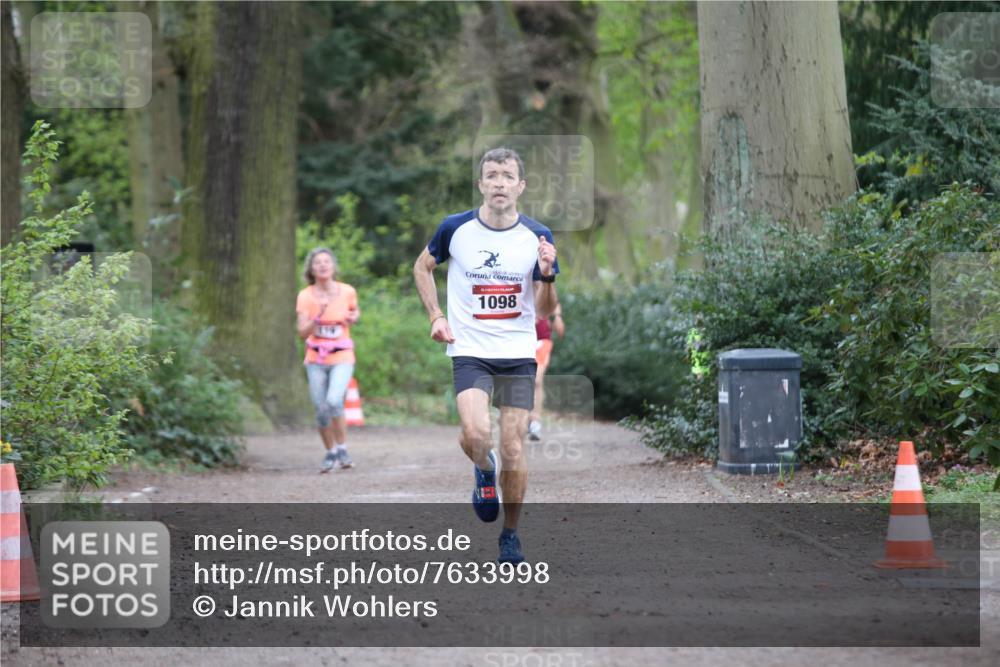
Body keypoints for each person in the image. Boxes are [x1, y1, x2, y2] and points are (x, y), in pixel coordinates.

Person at [413, 147, 559, 564]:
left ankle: (510, 536)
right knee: (477, 435)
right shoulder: (454, 229)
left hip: (516, 352)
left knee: (513, 446)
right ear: (481, 184)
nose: (499, 182)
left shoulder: (538, 236)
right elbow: (422, 267)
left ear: (520, 186)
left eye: (507, 176)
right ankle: (482, 468)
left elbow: (545, 309)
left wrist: (547, 274)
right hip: (470, 350)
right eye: (491, 175)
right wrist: (436, 315)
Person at [296, 247, 360, 473]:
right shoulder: (305, 296)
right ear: (311, 269)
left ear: (333, 266)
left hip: (342, 356)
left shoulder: (347, 291)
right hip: (315, 358)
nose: (322, 265)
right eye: (317, 262)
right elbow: (302, 332)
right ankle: (330, 452)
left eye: (326, 261)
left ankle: (342, 448)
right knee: (320, 408)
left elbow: (355, 312)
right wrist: (317, 318)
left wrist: (354, 316)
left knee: (334, 401)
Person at [527, 305, 565, 441]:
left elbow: (552, 300)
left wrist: (557, 317)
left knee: (536, 380)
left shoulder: (541, 283)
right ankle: (522, 417)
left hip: (541, 339)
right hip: (519, 339)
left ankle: (535, 421)